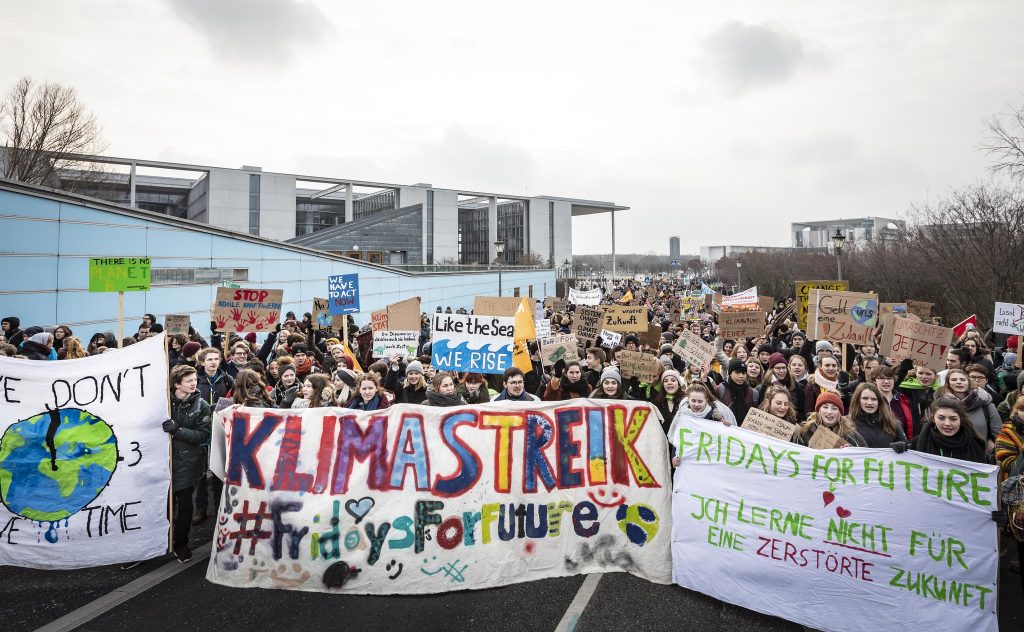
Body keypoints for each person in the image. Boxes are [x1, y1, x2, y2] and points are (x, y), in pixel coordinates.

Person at [165, 365, 212, 563]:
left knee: (184, 506)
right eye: (188, 380)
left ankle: (181, 543)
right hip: (162, 463)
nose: (193, 383)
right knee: (161, 507)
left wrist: (178, 430)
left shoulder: (201, 405)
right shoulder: (164, 403)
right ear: (177, 384)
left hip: (187, 463)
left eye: (194, 379)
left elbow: (203, 435)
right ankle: (153, 544)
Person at [937, 368, 1001, 456]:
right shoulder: (939, 406)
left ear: (969, 383)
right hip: (949, 455)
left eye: (962, 379)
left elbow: (999, 433)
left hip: (979, 455)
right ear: (948, 385)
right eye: (954, 379)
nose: (959, 382)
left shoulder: (987, 406)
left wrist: (992, 441)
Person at [913, 397, 987, 462]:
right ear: (933, 419)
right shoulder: (917, 443)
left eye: (953, 419)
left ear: (960, 419)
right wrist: (902, 450)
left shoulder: (974, 446)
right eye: (941, 418)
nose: (947, 423)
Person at [848, 382, 908, 449]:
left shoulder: (893, 423)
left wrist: (902, 446)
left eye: (874, 399)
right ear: (857, 400)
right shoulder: (846, 424)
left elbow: (906, 447)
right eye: (865, 398)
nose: (870, 403)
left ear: (879, 402)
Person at [800, 391, 865, 447]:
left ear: (840, 413)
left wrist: (851, 451)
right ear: (819, 410)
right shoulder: (806, 431)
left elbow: (862, 456)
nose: (829, 412)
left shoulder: (851, 435)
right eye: (825, 407)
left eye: (834, 408)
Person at [871, 366, 915, 441]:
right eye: (881, 378)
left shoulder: (904, 400)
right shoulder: (871, 401)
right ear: (874, 380)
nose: (886, 381)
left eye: (889, 378)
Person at [717, 359, 755, 425]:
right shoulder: (719, 389)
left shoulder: (753, 393)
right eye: (737, 372)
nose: (741, 376)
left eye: (744, 373)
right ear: (730, 373)